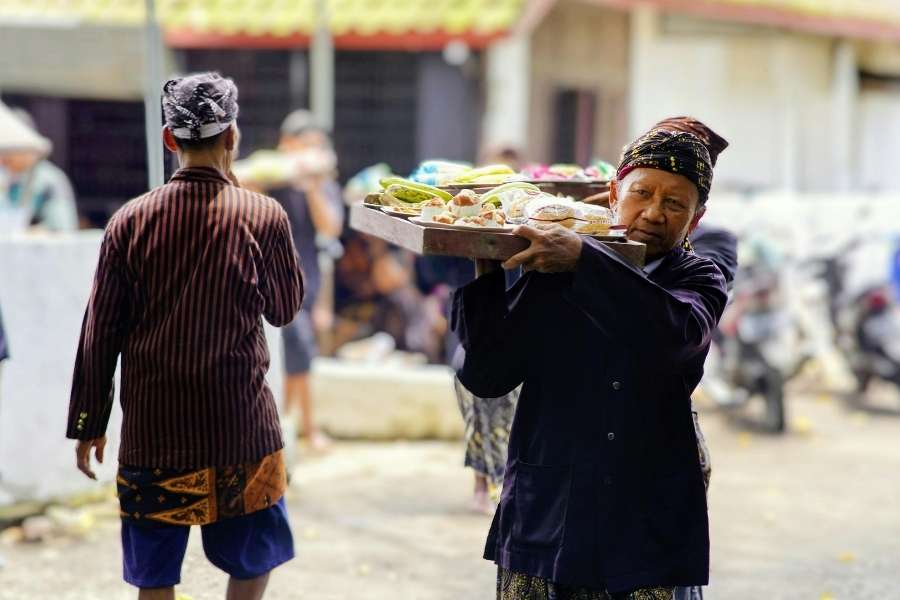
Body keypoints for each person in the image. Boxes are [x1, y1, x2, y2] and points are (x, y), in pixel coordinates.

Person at [452, 128, 728, 599]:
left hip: (644, 518)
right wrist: (488, 270)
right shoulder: (558, 264)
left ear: (696, 219)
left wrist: (586, 260)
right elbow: (489, 376)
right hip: (548, 505)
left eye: (675, 204)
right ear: (616, 193)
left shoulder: (700, 277)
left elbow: (673, 337)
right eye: (641, 193)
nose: (654, 212)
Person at [66, 72, 303, 600]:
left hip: (155, 436)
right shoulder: (264, 216)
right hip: (239, 433)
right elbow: (285, 310)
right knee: (250, 560)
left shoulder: (129, 222)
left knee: (154, 573)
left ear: (170, 140)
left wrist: (88, 421)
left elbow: (99, 332)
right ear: (233, 137)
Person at [269, 110, 344, 451]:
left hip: (306, 280)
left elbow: (331, 229)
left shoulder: (322, 184)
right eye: (305, 145)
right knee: (295, 351)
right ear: (286, 145)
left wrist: (312, 184)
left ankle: (294, 426)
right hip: (270, 279)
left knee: (300, 355)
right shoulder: (269, 178)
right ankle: (295, 426)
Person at [0, 108, 78, 232]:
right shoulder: (4, 174)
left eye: (8, 152)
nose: (3, 158)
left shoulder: (49, 180)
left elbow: (61, 228)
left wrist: (28, 233)